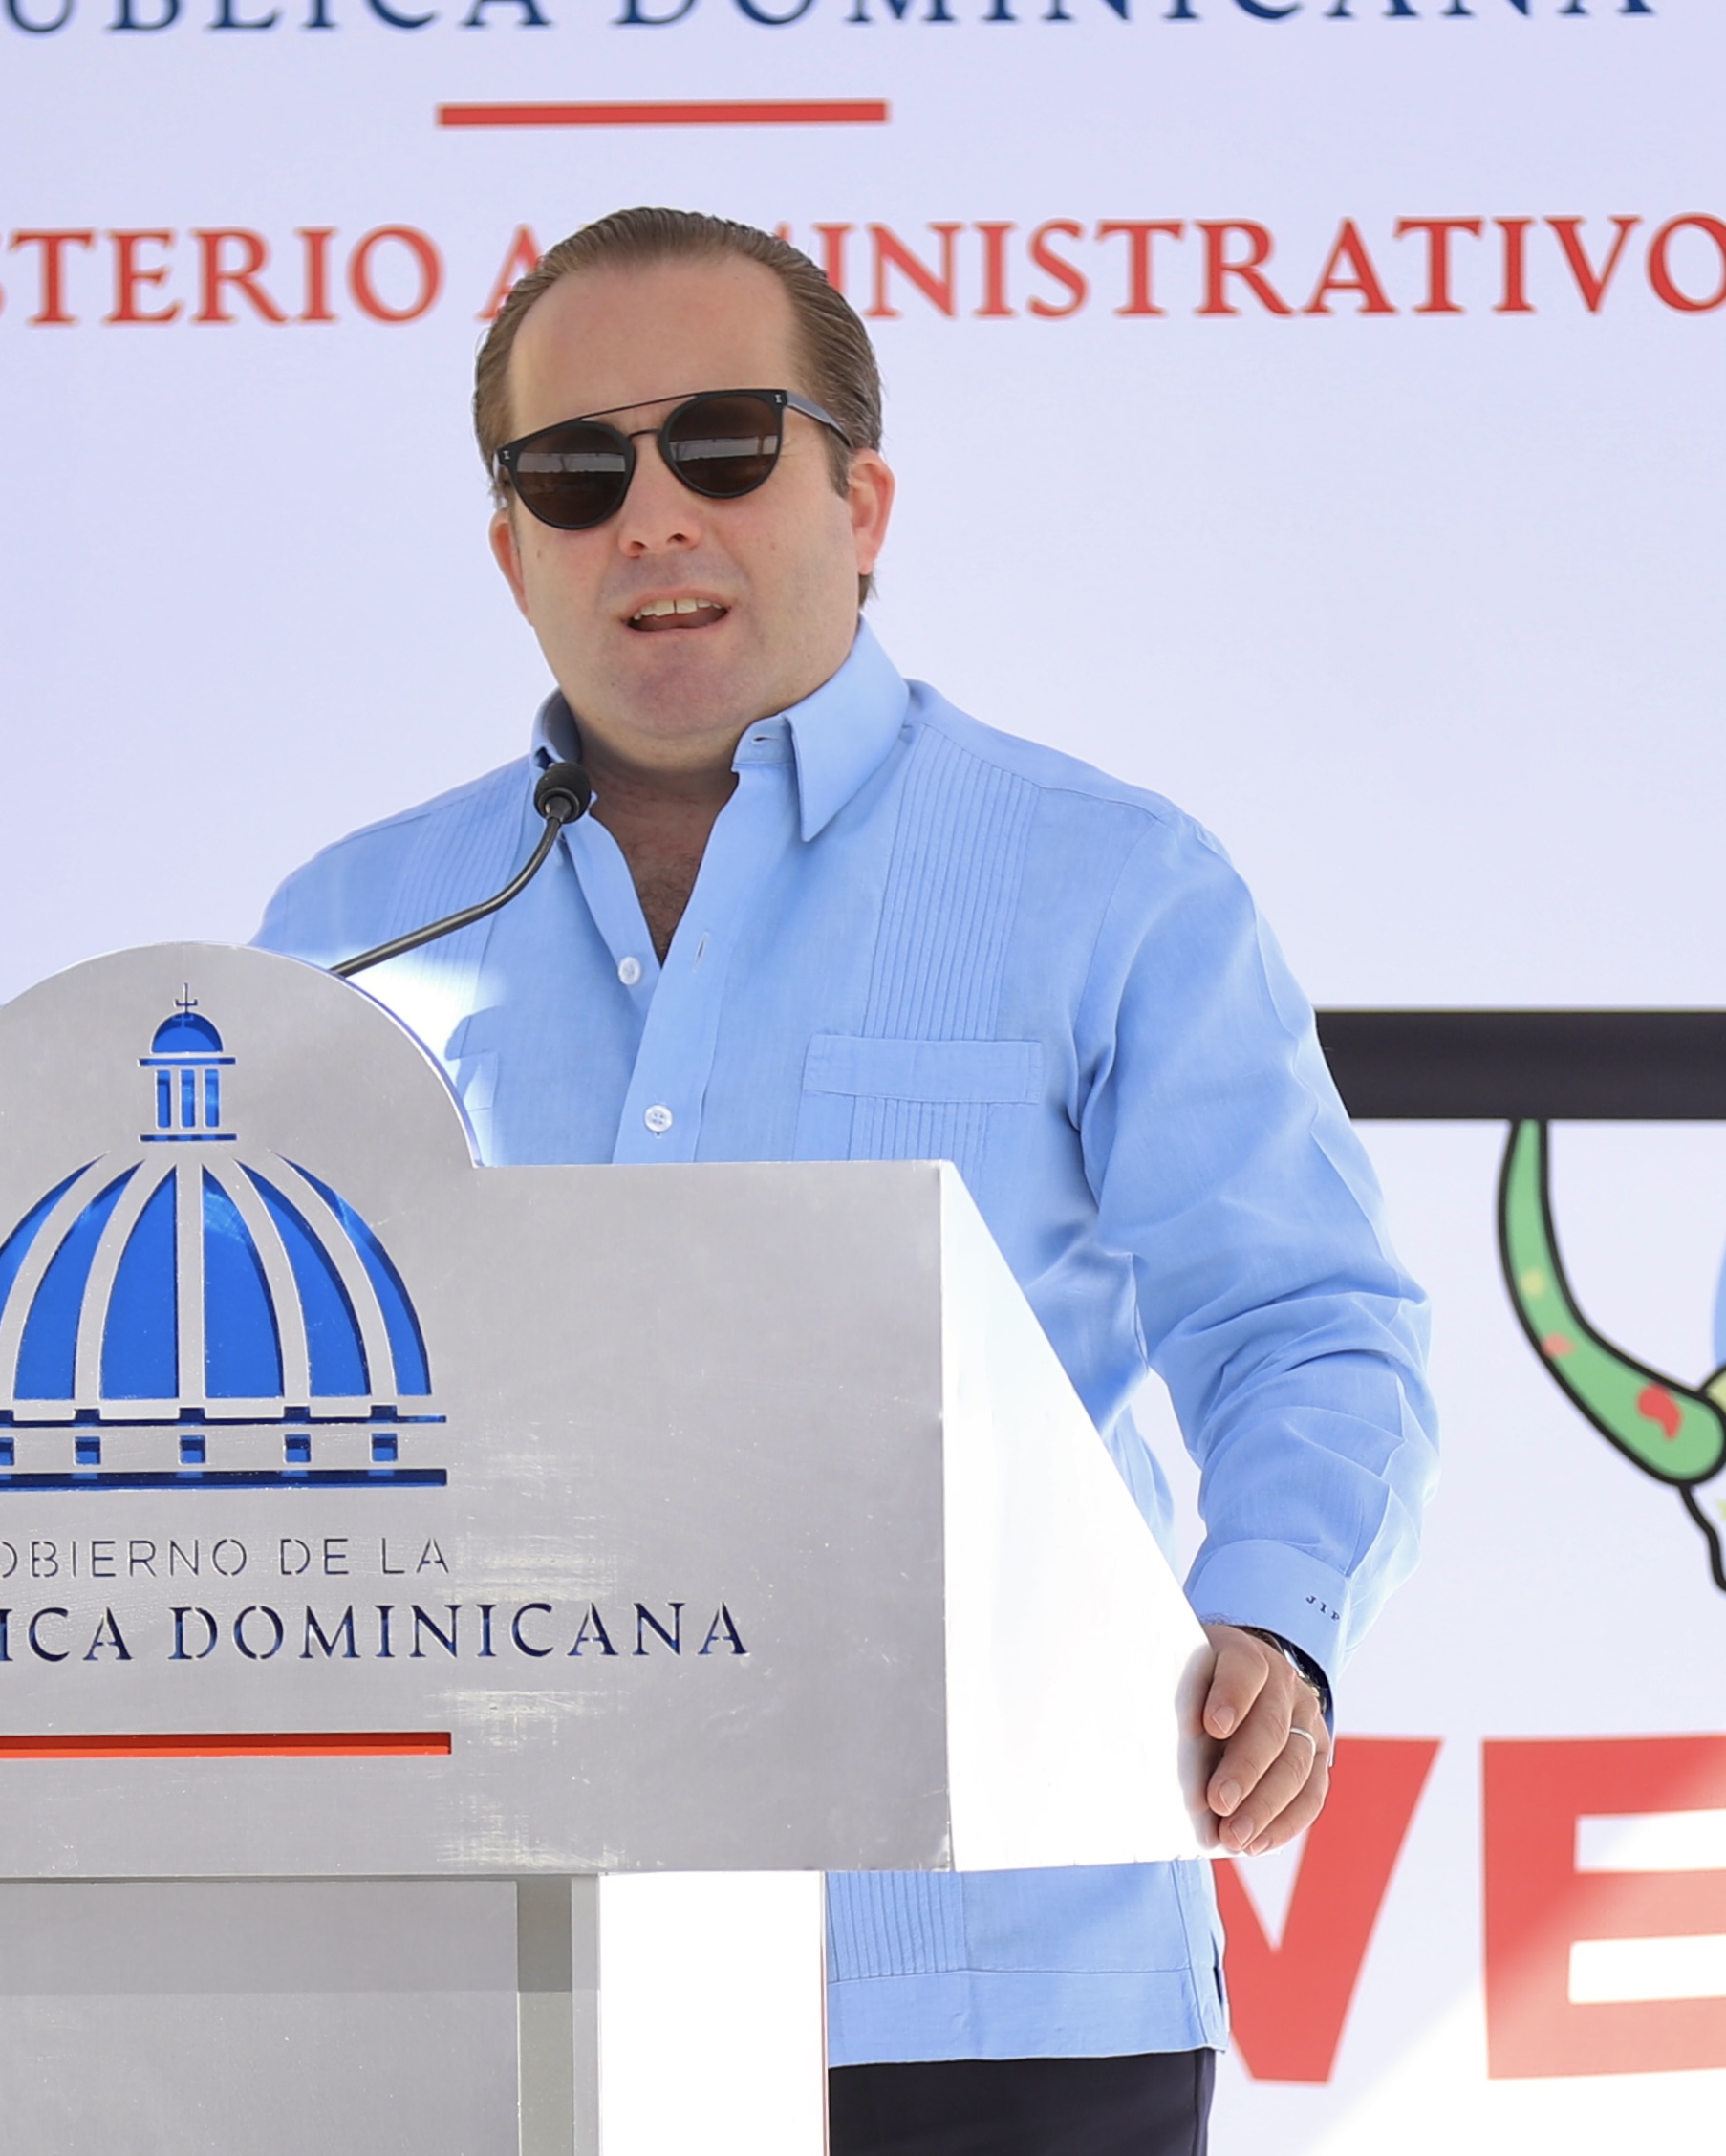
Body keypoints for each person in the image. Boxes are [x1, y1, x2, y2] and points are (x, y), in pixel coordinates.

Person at [255, 206, 1436, 2156]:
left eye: (723, 445)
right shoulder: (348, 930)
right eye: (576, 473)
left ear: (861, 500)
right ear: (512, 550)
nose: (652, 515)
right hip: (491, 1975)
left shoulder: (1107, 883)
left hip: (988, 1964)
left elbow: (1299, 1319)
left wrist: (1276, 1624)